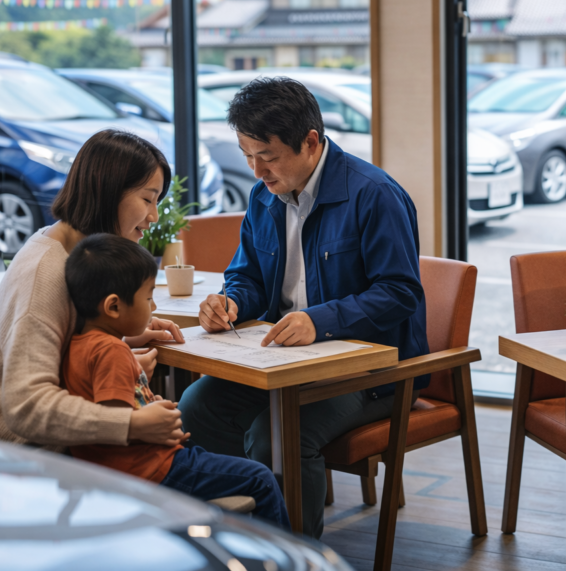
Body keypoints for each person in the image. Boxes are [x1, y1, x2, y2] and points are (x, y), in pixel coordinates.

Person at [179, 77, 428, 539]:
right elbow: (248, 275)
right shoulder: (264, 197)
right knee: (196, 408)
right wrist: (231, 301)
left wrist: (320, 321)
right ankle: (238, 538)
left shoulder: (373, 194)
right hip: (286, 360)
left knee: (278, 434)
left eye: (267, 157)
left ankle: (295, 554)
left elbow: (400, 293)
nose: (256, 171)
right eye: (247, 156)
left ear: (311, 142)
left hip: (372, 372)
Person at [62, 234, 289, 527]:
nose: (153, 307)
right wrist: (155, 426)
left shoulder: (79, 344)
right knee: (261, 478)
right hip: (148, 469)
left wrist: (148, 410)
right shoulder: (112, 351)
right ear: (114, 307)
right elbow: (115, 424)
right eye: (147, 297)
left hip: (124, 466)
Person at [0, 130, 186, 452]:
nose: (153, 217)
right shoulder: (45, 275)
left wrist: (123, 341)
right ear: (108, 192)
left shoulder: (65, 245)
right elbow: (26, 406)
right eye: (147, 200)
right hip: (32, 455)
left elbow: (61, 346)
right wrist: (129, 423)